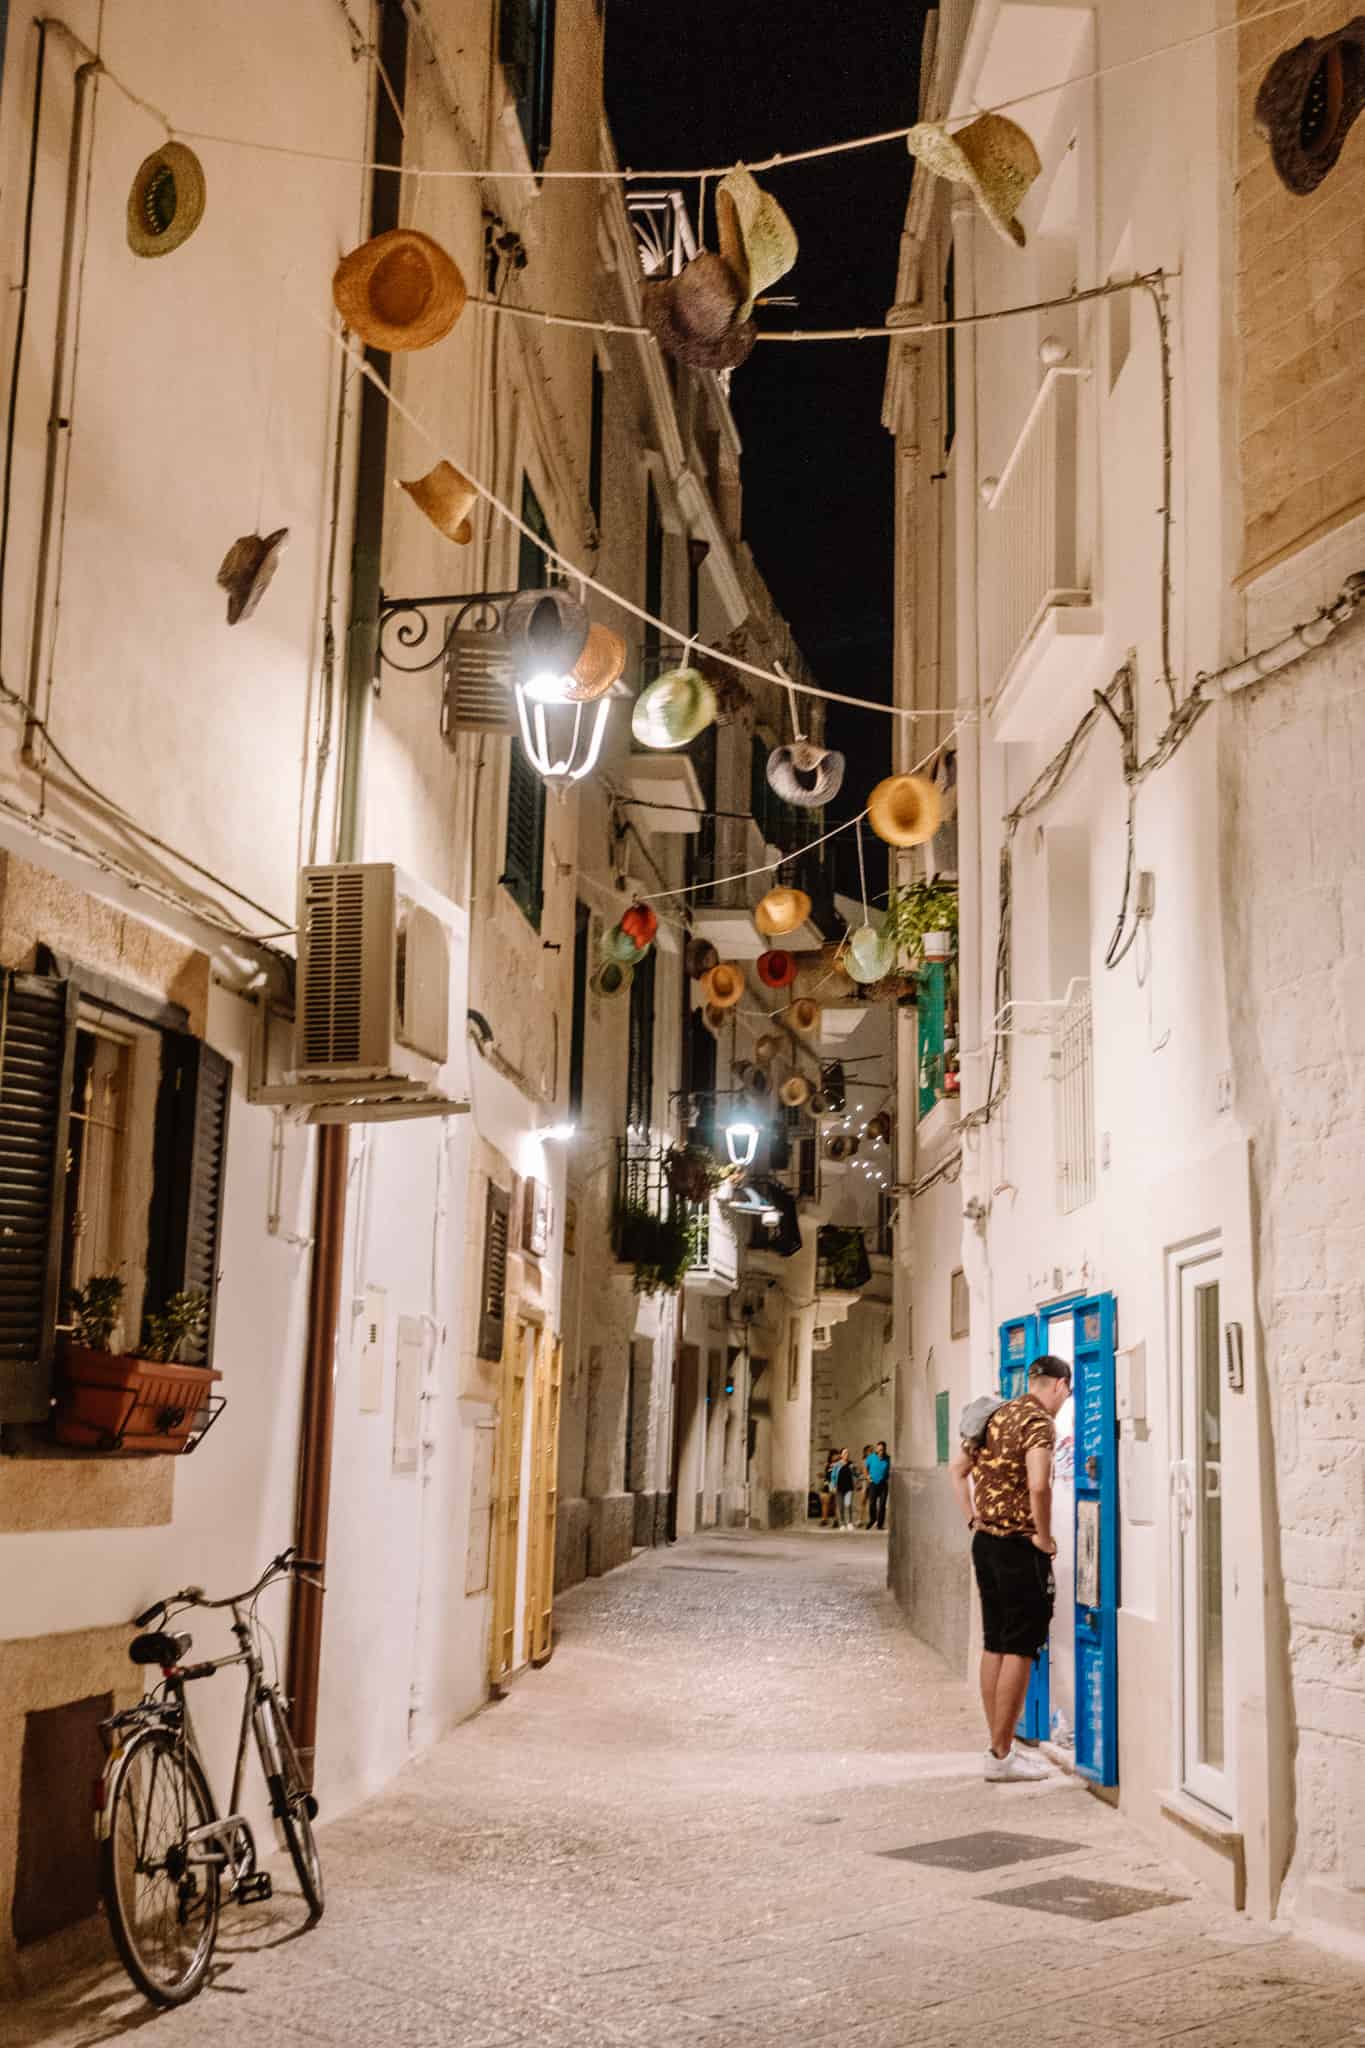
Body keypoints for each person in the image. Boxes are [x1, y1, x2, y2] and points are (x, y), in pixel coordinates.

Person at [949, 1356, 1072, 1782]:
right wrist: (1043, 1536)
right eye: (1065, 1394)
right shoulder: (1039, 1423)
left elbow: (958, 1470)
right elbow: (1039, 1483)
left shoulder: (995, 1414)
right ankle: (1001, 1753)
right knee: (1021, 1647)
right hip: (1020, 1545)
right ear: (1058, 1385)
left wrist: (973, 1519)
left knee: (994, 1643)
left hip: (986, 1543)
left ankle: (997, 1748)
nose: (1063, 1402)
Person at [865, 1440, 890, 1530]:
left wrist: (887, 1477)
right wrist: (867, 1476)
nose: (880, 1452)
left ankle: (880, 1524)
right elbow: (865, 1467)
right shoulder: (871, 1457)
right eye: (878, 1450)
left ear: (884, 1450)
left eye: (882, 1450)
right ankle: (872, 1520)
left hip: (883, 1484)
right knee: (872, 1503)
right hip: (873, 1483)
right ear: (876, 1449)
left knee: (882, 1504)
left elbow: (890, 1469)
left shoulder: (888, 1458)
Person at [833, 1445, 857, 1529]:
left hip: (849, 1487)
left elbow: (855, 1475)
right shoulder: (837, 1465)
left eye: (848, 1453)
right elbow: (833, 1476)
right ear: (841, 1455)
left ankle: (850, 1522)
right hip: (839, 1488)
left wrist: (854, 1470)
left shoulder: (851, 1464)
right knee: (841, 1506)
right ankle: (842, 1523)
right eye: (845, 1453)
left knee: (848, 1504)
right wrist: (833, 1486)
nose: (847, 1454)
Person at [855, 1446, 873, 1529]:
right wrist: (859, 1482)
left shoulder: (873, 1461)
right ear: (866, 1452)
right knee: (863, 1502)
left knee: (871, 1502)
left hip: (871, 1483)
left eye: (872, 1450)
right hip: (864, 1483)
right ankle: (861, 1520)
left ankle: (871, 1520)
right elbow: (860, 1472)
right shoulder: (864, 1461)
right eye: (870, 1451)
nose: (872, 1452)